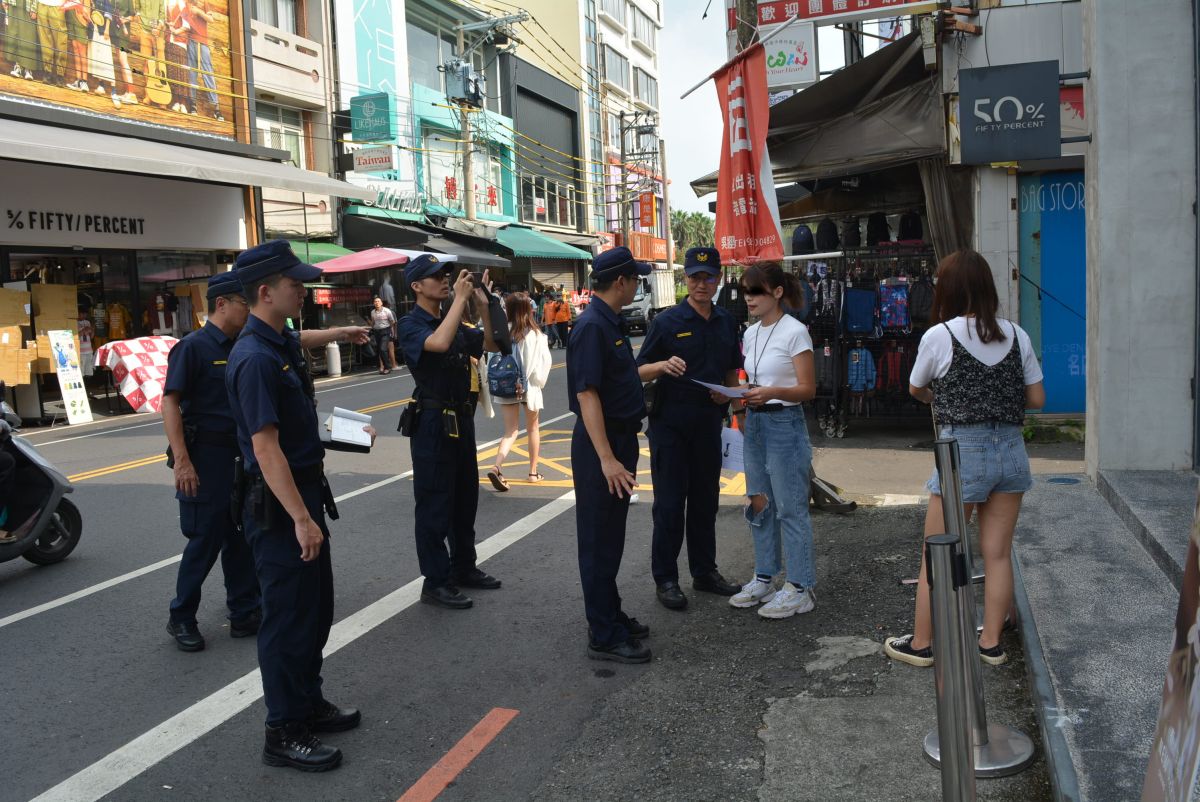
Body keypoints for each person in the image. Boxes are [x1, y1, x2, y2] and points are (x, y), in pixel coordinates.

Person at [225, 240, 371, 772]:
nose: (304, 291)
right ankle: (282, 730)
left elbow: (302, 349)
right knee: (287, 621)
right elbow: (265, 448)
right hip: (280, 506)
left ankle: (307, 703)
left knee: (315, 611)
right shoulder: (254, 357)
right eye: (295, 284)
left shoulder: (278, 340)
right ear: (265, 292)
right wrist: (302, 520)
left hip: (302, 492)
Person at [884, 249, 1044, 668]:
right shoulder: (1017, 334)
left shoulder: (940, 336)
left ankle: (922, 644)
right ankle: (990, 643)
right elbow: (1038, 398)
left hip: (961, 454)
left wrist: (944, 397)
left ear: (949, 290)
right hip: (1011, 450)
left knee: (936, 552)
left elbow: (917, 388)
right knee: (997, 553)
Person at [636, 247, 744, 611]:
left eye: (708, 276)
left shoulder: (727, 321)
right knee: (669, 505)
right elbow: (638, 370)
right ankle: (665, 578)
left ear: (719, 279)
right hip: (670, 425)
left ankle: (704, 571)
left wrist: (732, 403)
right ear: (685, 280)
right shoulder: (666, 322)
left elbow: (732, 370)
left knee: (705, 501)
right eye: (695, 276)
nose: (702, 283)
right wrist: (663, 365)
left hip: (708, 424)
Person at [395, 255, 502, 610]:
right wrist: (459, 299)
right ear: (416, 286)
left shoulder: (451, 318)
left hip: (462, 419)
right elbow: (438, 344)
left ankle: (464, 567)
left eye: (446, 274)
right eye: (435, 276)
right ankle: (436, 581)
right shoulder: (411, 324)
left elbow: (488, 344)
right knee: (435, 503)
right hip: (432, 423)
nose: (444, 280)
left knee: (464, 498)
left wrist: (483, 304)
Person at [162, 272, 260, 652]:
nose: (249, 311)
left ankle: (244, 612)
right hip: (206, 458)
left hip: (240, 456)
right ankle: (181, 616)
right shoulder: (193, 347)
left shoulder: (243, 344)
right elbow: (170, 402)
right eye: (243, 304)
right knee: (204, 542)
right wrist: (183, 462)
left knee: (242, 538)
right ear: (222, 304)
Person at [568, 246, 654, 664]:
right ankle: (603, 633)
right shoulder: (591, 326)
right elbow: (587, 394)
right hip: (601, 446)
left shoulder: (609, 322)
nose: (637, 284)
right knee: (599, 541)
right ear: (620, 282)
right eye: (635, 278)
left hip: (618, 440)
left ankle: (610, 612)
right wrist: (606, 459)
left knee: (611, 537)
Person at [721, 263, 817, 620]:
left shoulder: (796, 332)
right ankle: (765, 577)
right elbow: (754, 377)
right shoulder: (751, 333)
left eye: (756, 292)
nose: (749, 299)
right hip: (756, 422)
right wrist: (737, 396)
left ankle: (800, 586)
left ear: (777, 292)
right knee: (759, 502)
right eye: (746, 292)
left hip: (785, 424)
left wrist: (772, 391)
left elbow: (808, 389)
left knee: (791, 507)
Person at [487, 292, 552, 490]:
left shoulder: (501, 333)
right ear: (527, 310)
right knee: (533, 428)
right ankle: (533, 472)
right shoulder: (535, 335)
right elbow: (543, 364)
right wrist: (537, 383)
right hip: (529, 387)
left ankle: (496, 466)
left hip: (506, 386)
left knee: (510, 431)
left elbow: (491, 358)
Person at [185, 0, 219, 119]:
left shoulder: (204, 2)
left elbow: (211, 20)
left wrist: (199, 12)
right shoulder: (185, 3)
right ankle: (193, 104)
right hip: (190, 41)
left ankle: (216, 108)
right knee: (191, 73)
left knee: (207, 73)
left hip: (203, 42)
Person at [368, 296, 396, 374]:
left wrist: (390, 330)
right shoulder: (373, 312)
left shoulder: (387, 311)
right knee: (380, 350)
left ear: (381, 303)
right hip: (377, 331)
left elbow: (392, 321)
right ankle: (383, 367)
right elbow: (373, 322)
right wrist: (370, 328)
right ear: (374, 304)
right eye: (375, 302)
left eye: (378, 301)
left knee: (383, 349)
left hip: (385, 331)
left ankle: (388, 367)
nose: (377, 303)